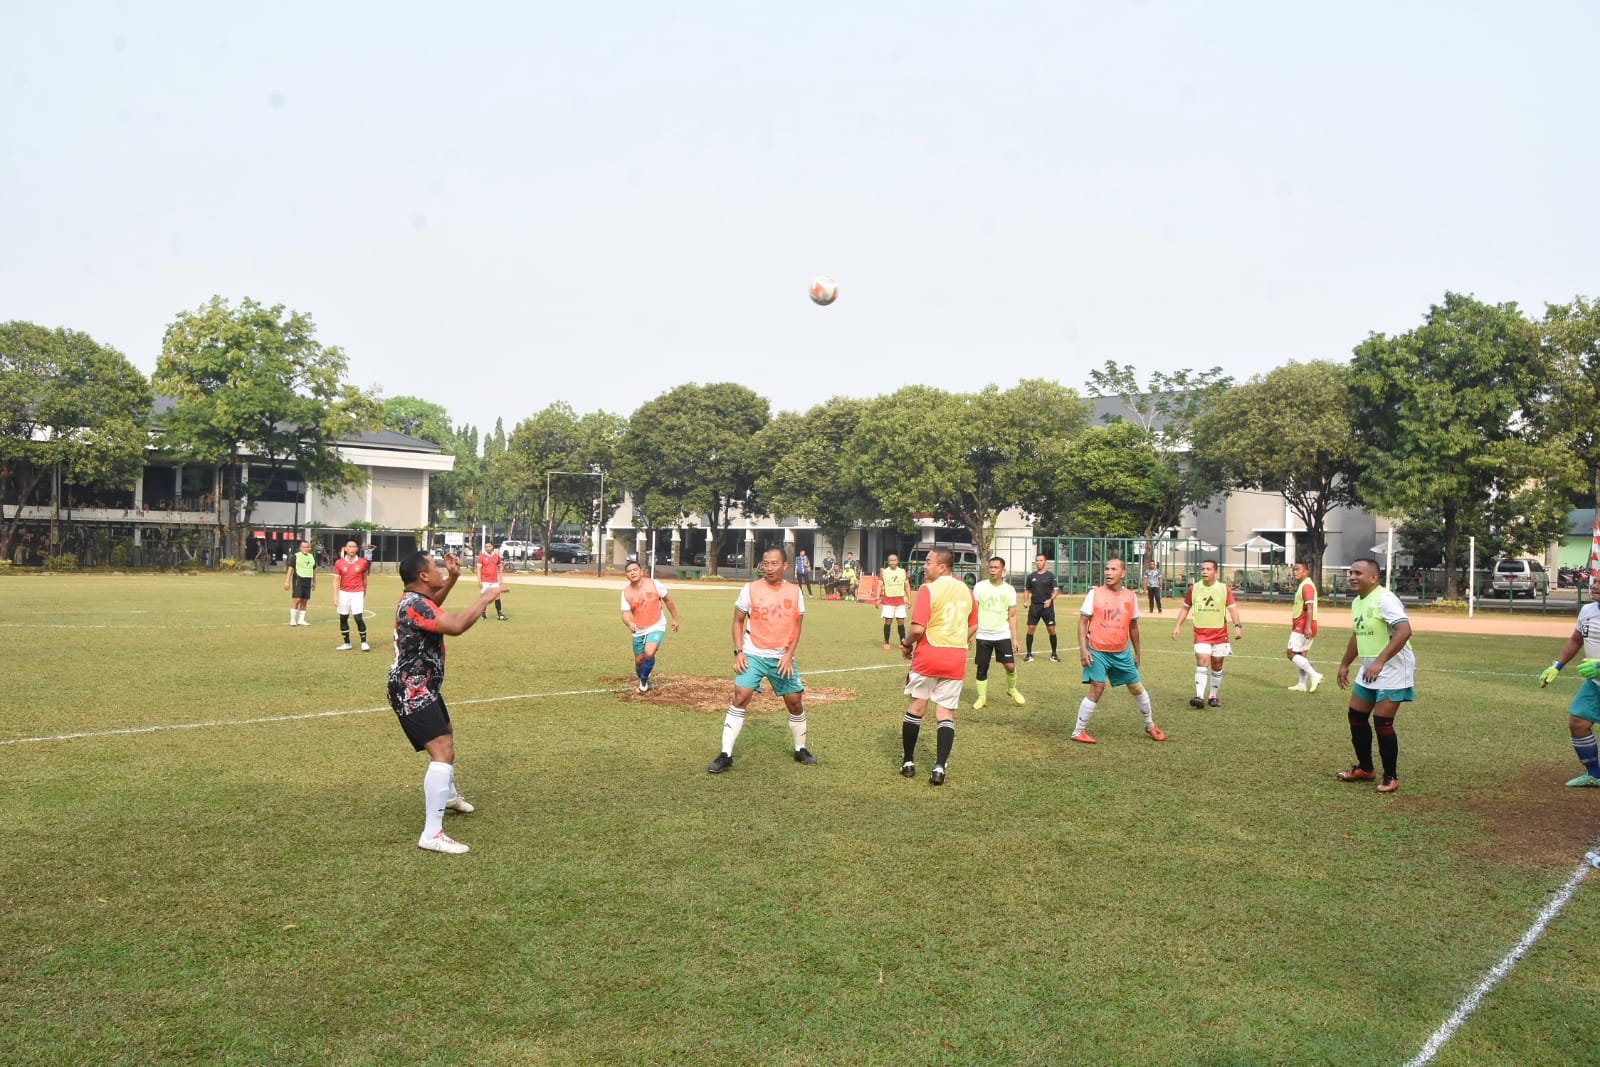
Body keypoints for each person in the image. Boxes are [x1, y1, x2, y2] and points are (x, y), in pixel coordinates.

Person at [388, 551, 504, 854]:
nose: (440, 571)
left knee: (446, 734)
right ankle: (432, 833)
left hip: (422, 685)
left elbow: (434, 606)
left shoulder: (417, 601)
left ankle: (449, 795)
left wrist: (453, 578)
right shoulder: (412, 604)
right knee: (442, 750)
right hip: (411, 688)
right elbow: (454, 625)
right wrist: (485, 598)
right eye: (436, 568)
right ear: (423, 577)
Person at [708, 546, 813, 772]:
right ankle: (725, 754)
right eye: (765, 563)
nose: (769, 568)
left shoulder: (795, 592)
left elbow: (796, 627)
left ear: (785, 566)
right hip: (753, 652)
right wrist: (739, 652)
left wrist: (788, 655)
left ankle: (800, 749)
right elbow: (737, 621)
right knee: (741, 696)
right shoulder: (750, 589)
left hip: (781, 656)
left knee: (794, 701)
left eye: (774, 563)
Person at [1335, 557, 1414, 794]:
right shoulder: (1358, 602)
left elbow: (1404, 631)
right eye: (1350, 572)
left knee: (1382, 723)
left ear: (1373, 578)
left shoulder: (1385, 598)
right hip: (1370, 667)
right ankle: (1365, 768)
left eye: (1357, 573)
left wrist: (1381, 661)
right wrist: (1345, 663)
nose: (1352, 576)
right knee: (1356, 716)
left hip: (1394, 668)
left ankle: (1390, 776)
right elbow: (1357, 634)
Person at [899, 547, 978, 786]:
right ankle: (939, 767)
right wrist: (959, 640)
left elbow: (916, 629)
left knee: (916, 708)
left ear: (942, 567)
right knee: (945, 714)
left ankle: (909, 761)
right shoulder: (967, 591)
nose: (925, 566)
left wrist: (905, 644)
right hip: (955, 659)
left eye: (929, 561)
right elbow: (974, 625)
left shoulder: (928, 589)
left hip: (929, 655)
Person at [1073, 558, 1164, 744]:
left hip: (1121, 651)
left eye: (1113, 569)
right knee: (1097, 688)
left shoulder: (1131, 596)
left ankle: (1150, 725)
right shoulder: (1094, 594)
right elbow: (1083, 622)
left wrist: (1138, 653)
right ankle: (1078, 731)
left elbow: (1133, 627)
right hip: (1097, 649)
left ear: (1122, 573)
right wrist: (1083, 650)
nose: (1108, 573)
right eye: (1106, 569)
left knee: (1136, 687)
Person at [1536, 577, 1600, 788]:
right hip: (1596, 683)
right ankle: (1595, 774)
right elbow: (1575, 640)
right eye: (1595, 582)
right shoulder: (1588, 611)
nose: (1595, 586)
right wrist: (1556, 666)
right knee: (1578, 723)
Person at [1172, 560, 1243, 708]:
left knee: (1217, 664)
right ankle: (1199, 696)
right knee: (1203, 660)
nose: (1204, 571)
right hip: (1201, 634)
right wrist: (1178, 625)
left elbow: (1232, 609)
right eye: (1203, 569)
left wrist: (1237, 626)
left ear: (1215, 572)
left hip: (1220, 634)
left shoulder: (1224, 589)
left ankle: (1213, 696)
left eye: (1208, 569)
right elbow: (1185, 608)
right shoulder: (1194, 589)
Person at [621, 558, 680, 693]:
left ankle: (643, 680)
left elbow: (668, 600)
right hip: (639, 629)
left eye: (635, 570)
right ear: (626, 575)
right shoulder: (625, 593)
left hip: (656, 624)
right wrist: (629, 623)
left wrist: (675, 619)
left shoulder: (654, 584)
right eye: (629, 571)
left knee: (649, 652)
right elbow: (625, 614)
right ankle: (643, 677)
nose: (632, 573)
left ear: (641, 571)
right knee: (639, 661)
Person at [972, 556, 1024, 708]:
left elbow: (1012, 615)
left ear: (1003, 570)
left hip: (1002, 634)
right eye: (991, 567)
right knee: (982, 666)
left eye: (996, 567)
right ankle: (982, 698)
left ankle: (1012, 689)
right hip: (983, 634)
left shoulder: (1009, 590)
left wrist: (1015, 638)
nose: (993, 570)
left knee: (1010, 666)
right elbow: (973, 611)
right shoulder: (980, 587)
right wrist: (970, 632)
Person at [1284, 561, 1324, 692]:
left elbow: (1310, 607)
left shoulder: (1306, 586)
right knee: (1302, 654)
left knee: (1291, 653)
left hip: (1303, 625)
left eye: (1298, 569)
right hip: (1304, 624)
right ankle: (1302, 684)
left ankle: (1315, 675)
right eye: (1294, 569)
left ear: (1306, 572)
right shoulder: (1304, 585)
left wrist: (1307, 627)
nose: (1294, 572)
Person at [332, 539, 372, 651]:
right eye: (349, 546)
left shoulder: (363, 562)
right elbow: (335, 581)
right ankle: (347, 643)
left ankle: (364, 642)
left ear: (357, 549)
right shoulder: (339, 563)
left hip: (357, 592)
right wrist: (335, 596)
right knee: (343, 618)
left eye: (354, 547)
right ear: (345, 548)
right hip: (344, 593)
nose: (352, 549)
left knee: (358, 617)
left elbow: (364, 579)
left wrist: (364, 592)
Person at [1022, 553, 1060, 662]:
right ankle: (1029, 654)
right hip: (1034, 606)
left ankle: (1054, 654)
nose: (1039, 562)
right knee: (1031, 629)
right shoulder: (1031, 576)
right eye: (1037, 560)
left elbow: (1056, 591)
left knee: (1051, 629)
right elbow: (1027, 590)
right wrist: (1025, 600)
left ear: (1045, 562)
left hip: (1047, 607)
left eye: (1041, 560)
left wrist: (1050, 599)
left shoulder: (1051, 576)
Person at [879, 552, 910, 650]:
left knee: (901, 621)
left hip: (900, 601)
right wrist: (877, 599)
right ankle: (886, 642)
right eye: (891, 560)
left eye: (894, 560)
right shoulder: (884, 572)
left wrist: (909, 599)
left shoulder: (902, 571)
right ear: (888, 562)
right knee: (888, 621)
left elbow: (907, 585)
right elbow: (879, 585)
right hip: (888, 601)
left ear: (898, 561)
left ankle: (902, 642)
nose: (893, 562)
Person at [283, 540, 316, 626]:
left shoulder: (311, 557)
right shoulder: (295, 556)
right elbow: (290, 569)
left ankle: (301, 620)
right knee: (297, 599)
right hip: (299, 579)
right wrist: (287, 581)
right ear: (300, 548)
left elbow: (314, 570)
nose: (306, 549)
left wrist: (314, 582)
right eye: (304, 547)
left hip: (308, 580)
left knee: (304, 600)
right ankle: (293, 619)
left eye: (307, 547)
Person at [476, 540, 507, 621]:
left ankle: (499, 614)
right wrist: (479, 580)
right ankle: (483, 614)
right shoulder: (482, 557)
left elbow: (500, 566)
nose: (488, 548)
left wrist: (501, 578)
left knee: (497, 596)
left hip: (494, 581)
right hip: (485, 580)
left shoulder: (496, 556)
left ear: (492, 547)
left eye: (489, 546)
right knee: (485, 597)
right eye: (486, 547)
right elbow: (478, 569)